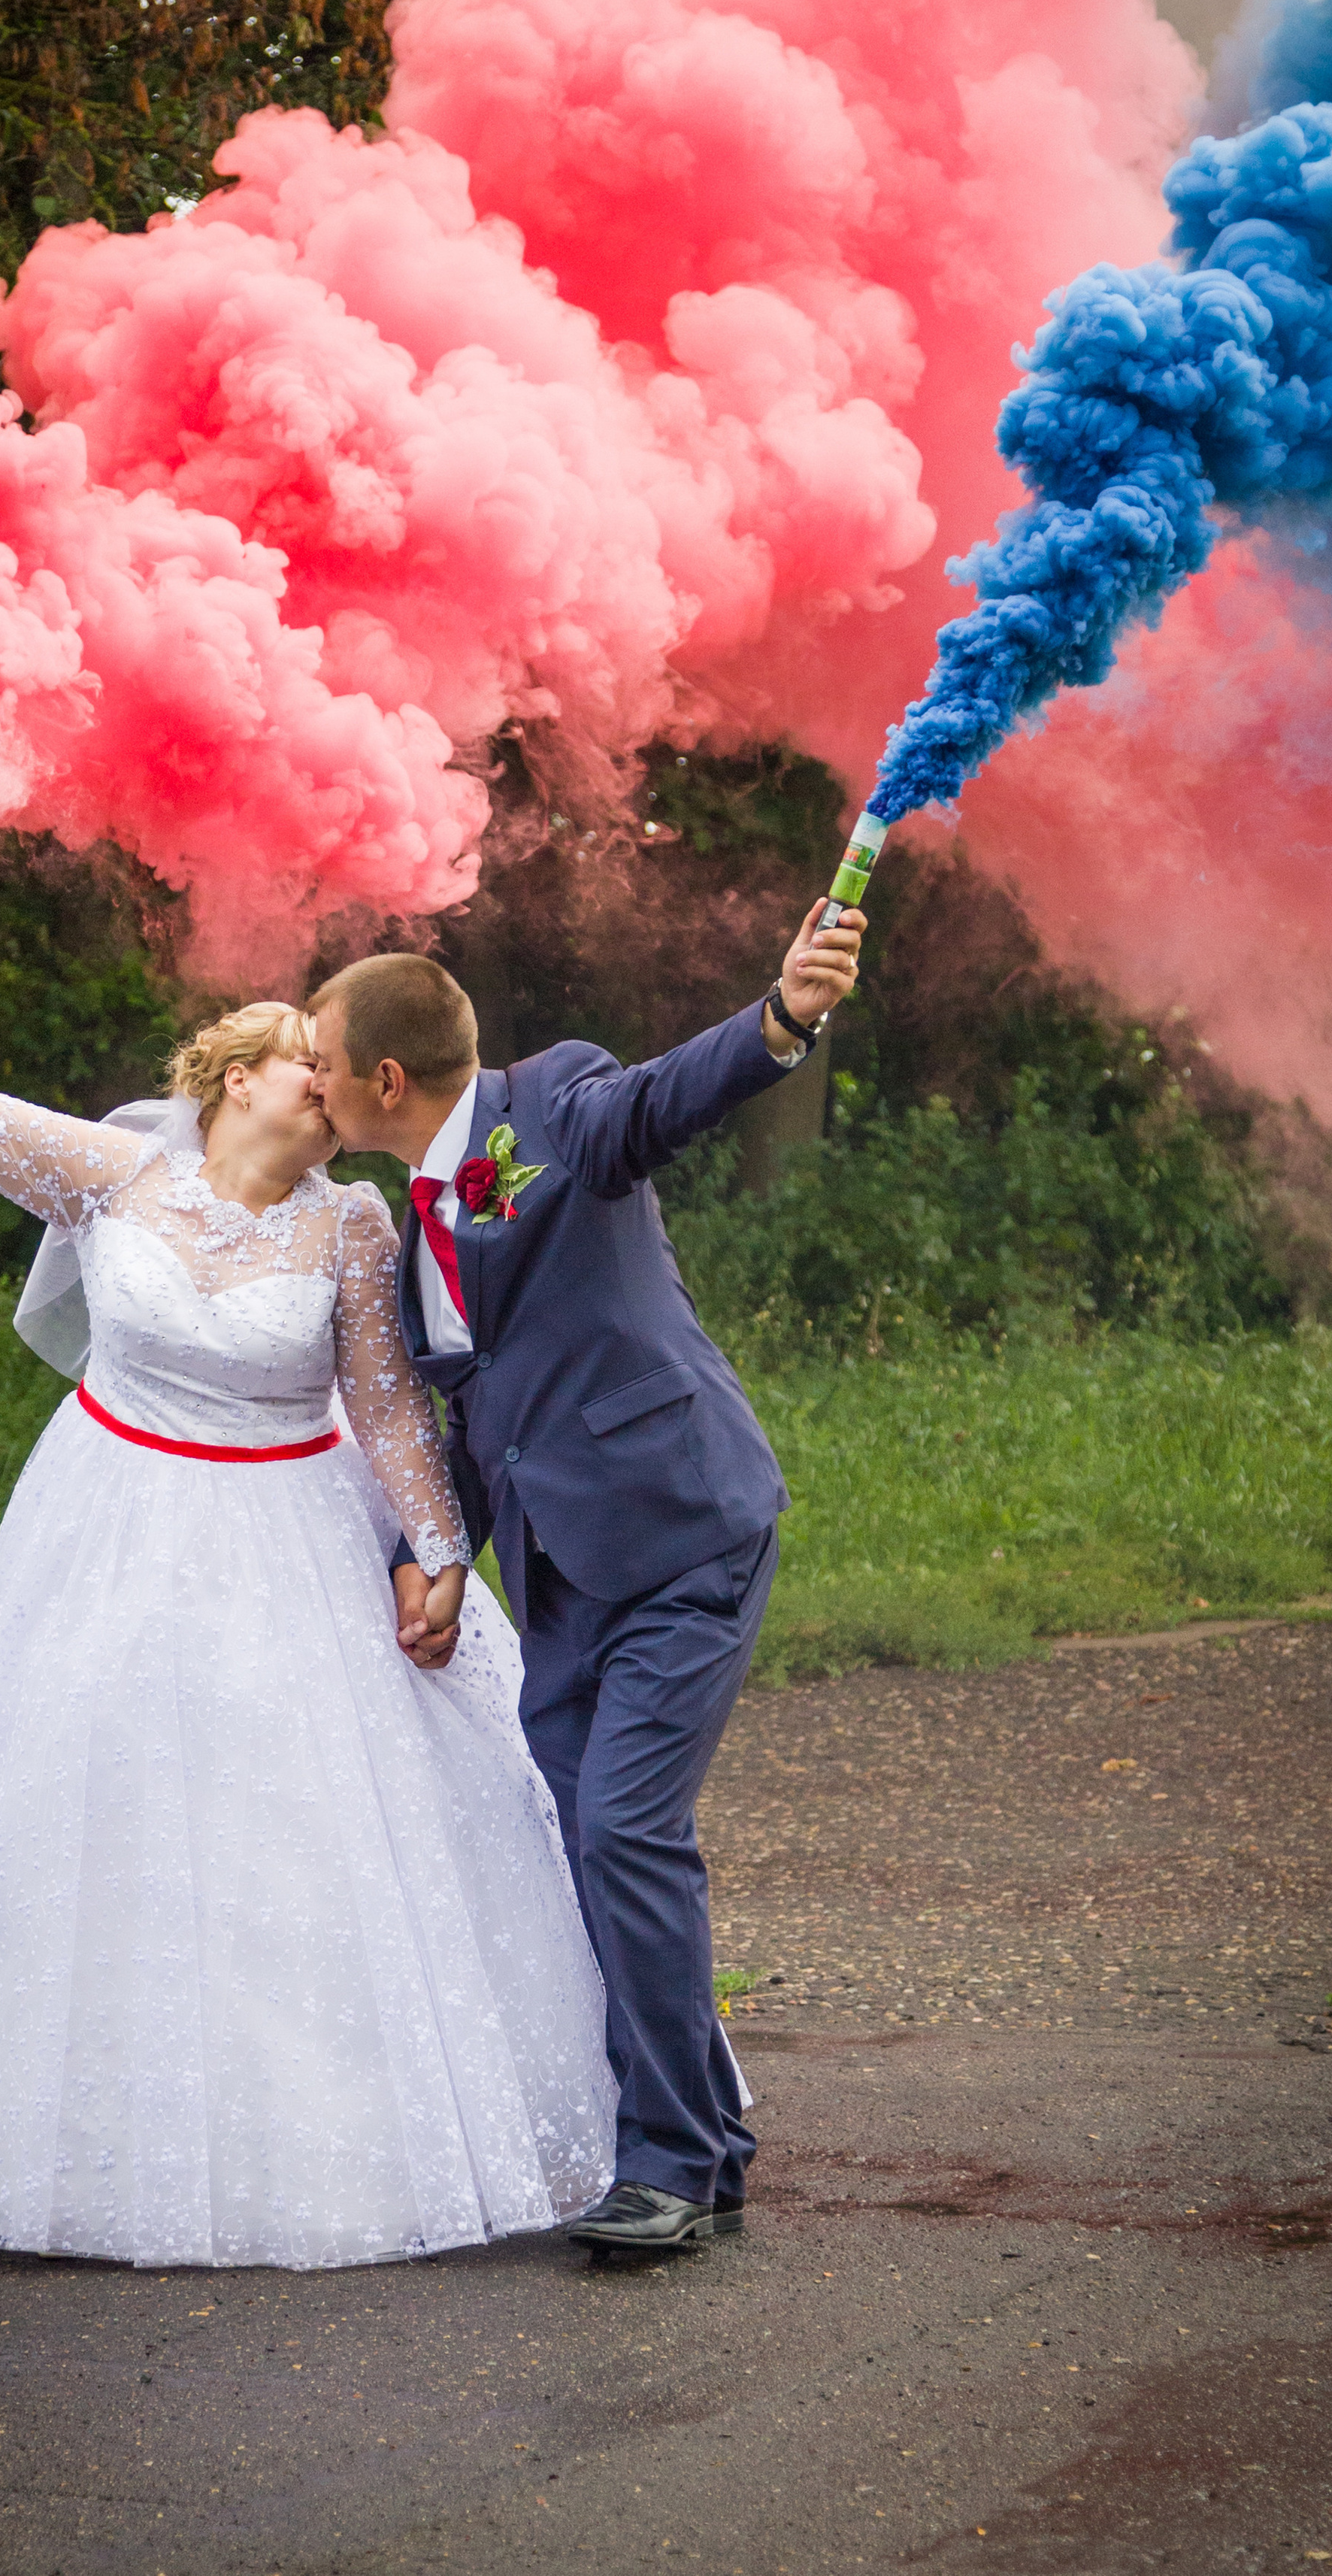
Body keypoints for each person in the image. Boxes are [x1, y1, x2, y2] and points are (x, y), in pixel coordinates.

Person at [0, 893, 616, 2271]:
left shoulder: (352, 1226)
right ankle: (81, 2145)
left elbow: (389, 1406)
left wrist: (439, 1555)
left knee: (295, 1830)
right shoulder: (118, 1176)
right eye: (306, 1063)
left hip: (292, 1535)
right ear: (238, 1078)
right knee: (98, 1806)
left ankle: (325, 2137)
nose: (330, 1085)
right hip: (110, 1524)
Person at [307, 897, 864, 2253]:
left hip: (682, 1530)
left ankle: (662, 2162)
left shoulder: (555, 1102)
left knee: (625, 1829)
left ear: (388, 1078)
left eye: (320, 1061)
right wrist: (435, 1554)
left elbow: (663, 1100)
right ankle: (709, 2147)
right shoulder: (408, 1223)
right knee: (589, 1848)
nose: (309, 1082)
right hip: (559, 1573)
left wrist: (782, 1017)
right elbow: (474, 1412)